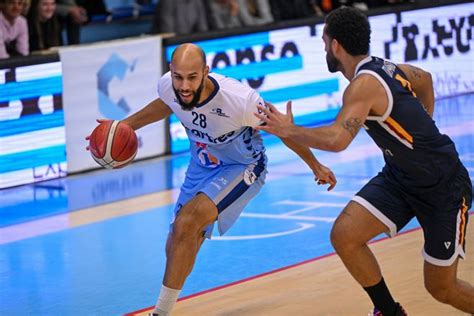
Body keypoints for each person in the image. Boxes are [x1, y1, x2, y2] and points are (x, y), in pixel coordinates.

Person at [88, 43, 336, 315]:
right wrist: (122, 128)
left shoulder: (240, 101)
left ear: (206, 72)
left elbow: (283, 131)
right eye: (178, 76)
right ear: (170, 72)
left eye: (192, 77)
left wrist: (315, 165)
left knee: (187, 223)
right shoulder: (168, 87)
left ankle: (161, 313)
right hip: (202, 163)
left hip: (243, 165)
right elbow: (165, 104)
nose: (183, 85)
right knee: (176, 241)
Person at [255, 7, 473, 316]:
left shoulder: (364, 85)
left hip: (443, 186)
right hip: (402, 177)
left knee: (441, 289)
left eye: (324, 41)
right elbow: (424, 79)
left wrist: (288, 130)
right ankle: (388, 311)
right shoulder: (385, 67)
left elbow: (337, 139)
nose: (324, 47)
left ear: (335, 46)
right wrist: (422, 127)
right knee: (345, 235)